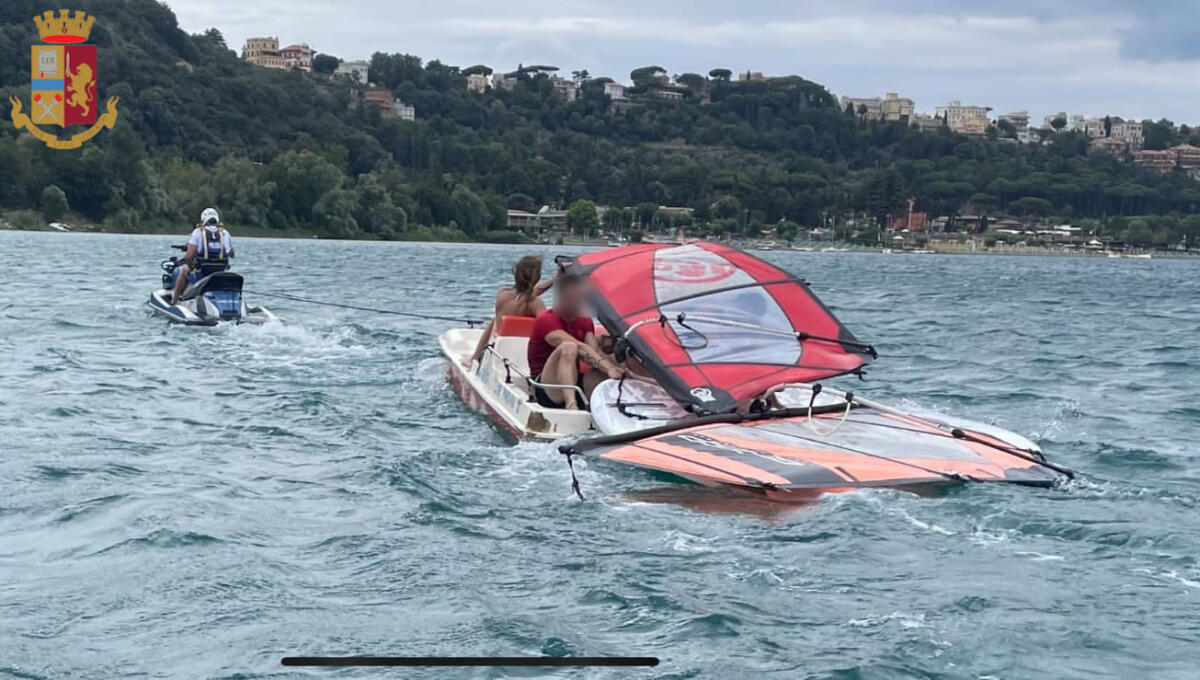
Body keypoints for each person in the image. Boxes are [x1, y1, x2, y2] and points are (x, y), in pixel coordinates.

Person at [527, 274, 623, 410]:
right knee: (569, 347)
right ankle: (571, 405)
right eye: (575, 299)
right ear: (562, 298)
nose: (581, 303)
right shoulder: (546, 320)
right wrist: (609, 369)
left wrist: (617, 365)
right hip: (545, 387)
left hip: (573, 380)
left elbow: (594, 351)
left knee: (618, 359)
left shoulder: (585, 321)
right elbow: (580, 347)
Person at [467, 255, 555, 367]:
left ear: (516, 273)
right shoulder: (535, 303)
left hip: (495, 353)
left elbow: (526, 293)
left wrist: (554, 279)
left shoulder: (502, 293)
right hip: (523, 356)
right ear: (537, 278)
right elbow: (547, 329)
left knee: (494, 320)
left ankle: (474, 357)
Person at [170, 208, 234, 304]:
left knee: (185, 269)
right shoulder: (225, 233)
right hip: (219, 273)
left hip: (203, 273)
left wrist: (192, 266)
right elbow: (231, 254)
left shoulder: (198, 232)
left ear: (203, 220)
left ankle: (174, 301)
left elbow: (188, 256)